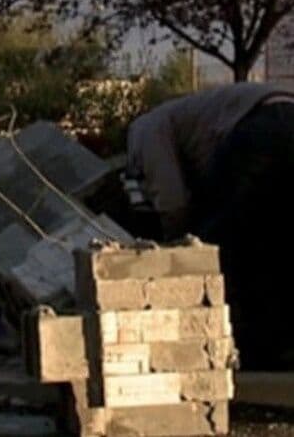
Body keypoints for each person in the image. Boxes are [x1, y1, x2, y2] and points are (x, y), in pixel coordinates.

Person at [126, 81, 294, 368]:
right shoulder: (190, 115)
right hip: (284, 114)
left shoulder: (145, 129)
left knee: (220, 248)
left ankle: (251, 349)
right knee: (277, 243)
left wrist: (174, 259)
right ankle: (281, 348)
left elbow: (171, 199)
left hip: (261, 128)